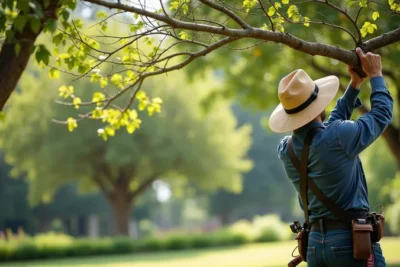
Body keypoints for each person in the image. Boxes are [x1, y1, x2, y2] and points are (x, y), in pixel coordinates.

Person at [269, 48, 393, 267]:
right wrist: (376, 76)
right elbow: (382, 113)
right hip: (351, 242)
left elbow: (326, 132)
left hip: (315, 245)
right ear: (318, 105)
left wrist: (354, 85)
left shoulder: (285, 149)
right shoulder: (336, 136)